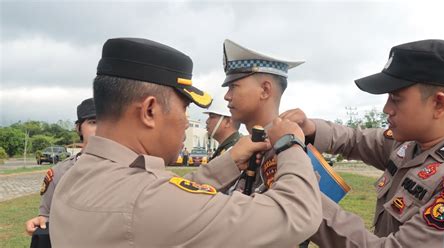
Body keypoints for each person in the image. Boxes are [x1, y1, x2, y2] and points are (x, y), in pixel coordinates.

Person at [49, 37, 322, 247]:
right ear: (150, 111)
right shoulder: (145, 202)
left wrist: (227, 163)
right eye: (184, 110)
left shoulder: (75, 176)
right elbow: (296, 214)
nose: (185, 122)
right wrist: (290, 143)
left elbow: (171, 196)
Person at [281, 39, 444, 247]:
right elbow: (355, 140)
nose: (386, 109)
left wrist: (302, 197)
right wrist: (310, 128)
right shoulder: (409, 144)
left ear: (439, 104)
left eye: (396, 99)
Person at [221, 39, 308, 195]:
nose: (227, 96)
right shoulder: (245, 152)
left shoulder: (289, 153)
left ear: (265, 90)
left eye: (233, 86)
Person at [25, 98, 96, 236]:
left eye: (108, 123)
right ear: (78, 128)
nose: (101, 129)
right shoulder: (59, 172)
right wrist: (40, 223)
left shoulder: (130, 168)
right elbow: (47, 216)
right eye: (93, 122)